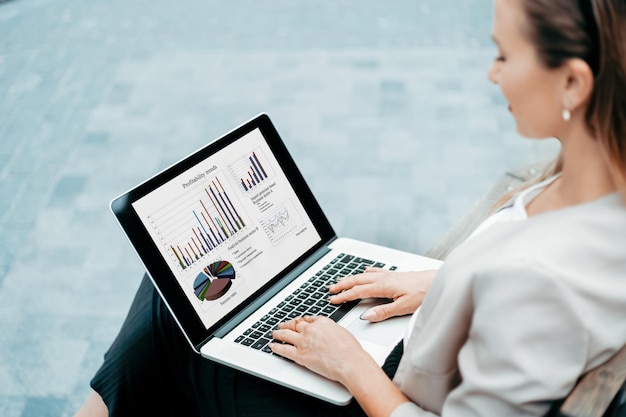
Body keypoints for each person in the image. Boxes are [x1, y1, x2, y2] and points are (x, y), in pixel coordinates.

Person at [75, 0, 626, 416]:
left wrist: (350, 365)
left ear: (574, 82)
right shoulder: (596, 189)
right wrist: (446, 282)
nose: (492, 72)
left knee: (173, 314)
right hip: (425, 356)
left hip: (388, 394)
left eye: (504, 54)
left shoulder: (538, 279)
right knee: (184, 302)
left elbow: (527, 296)